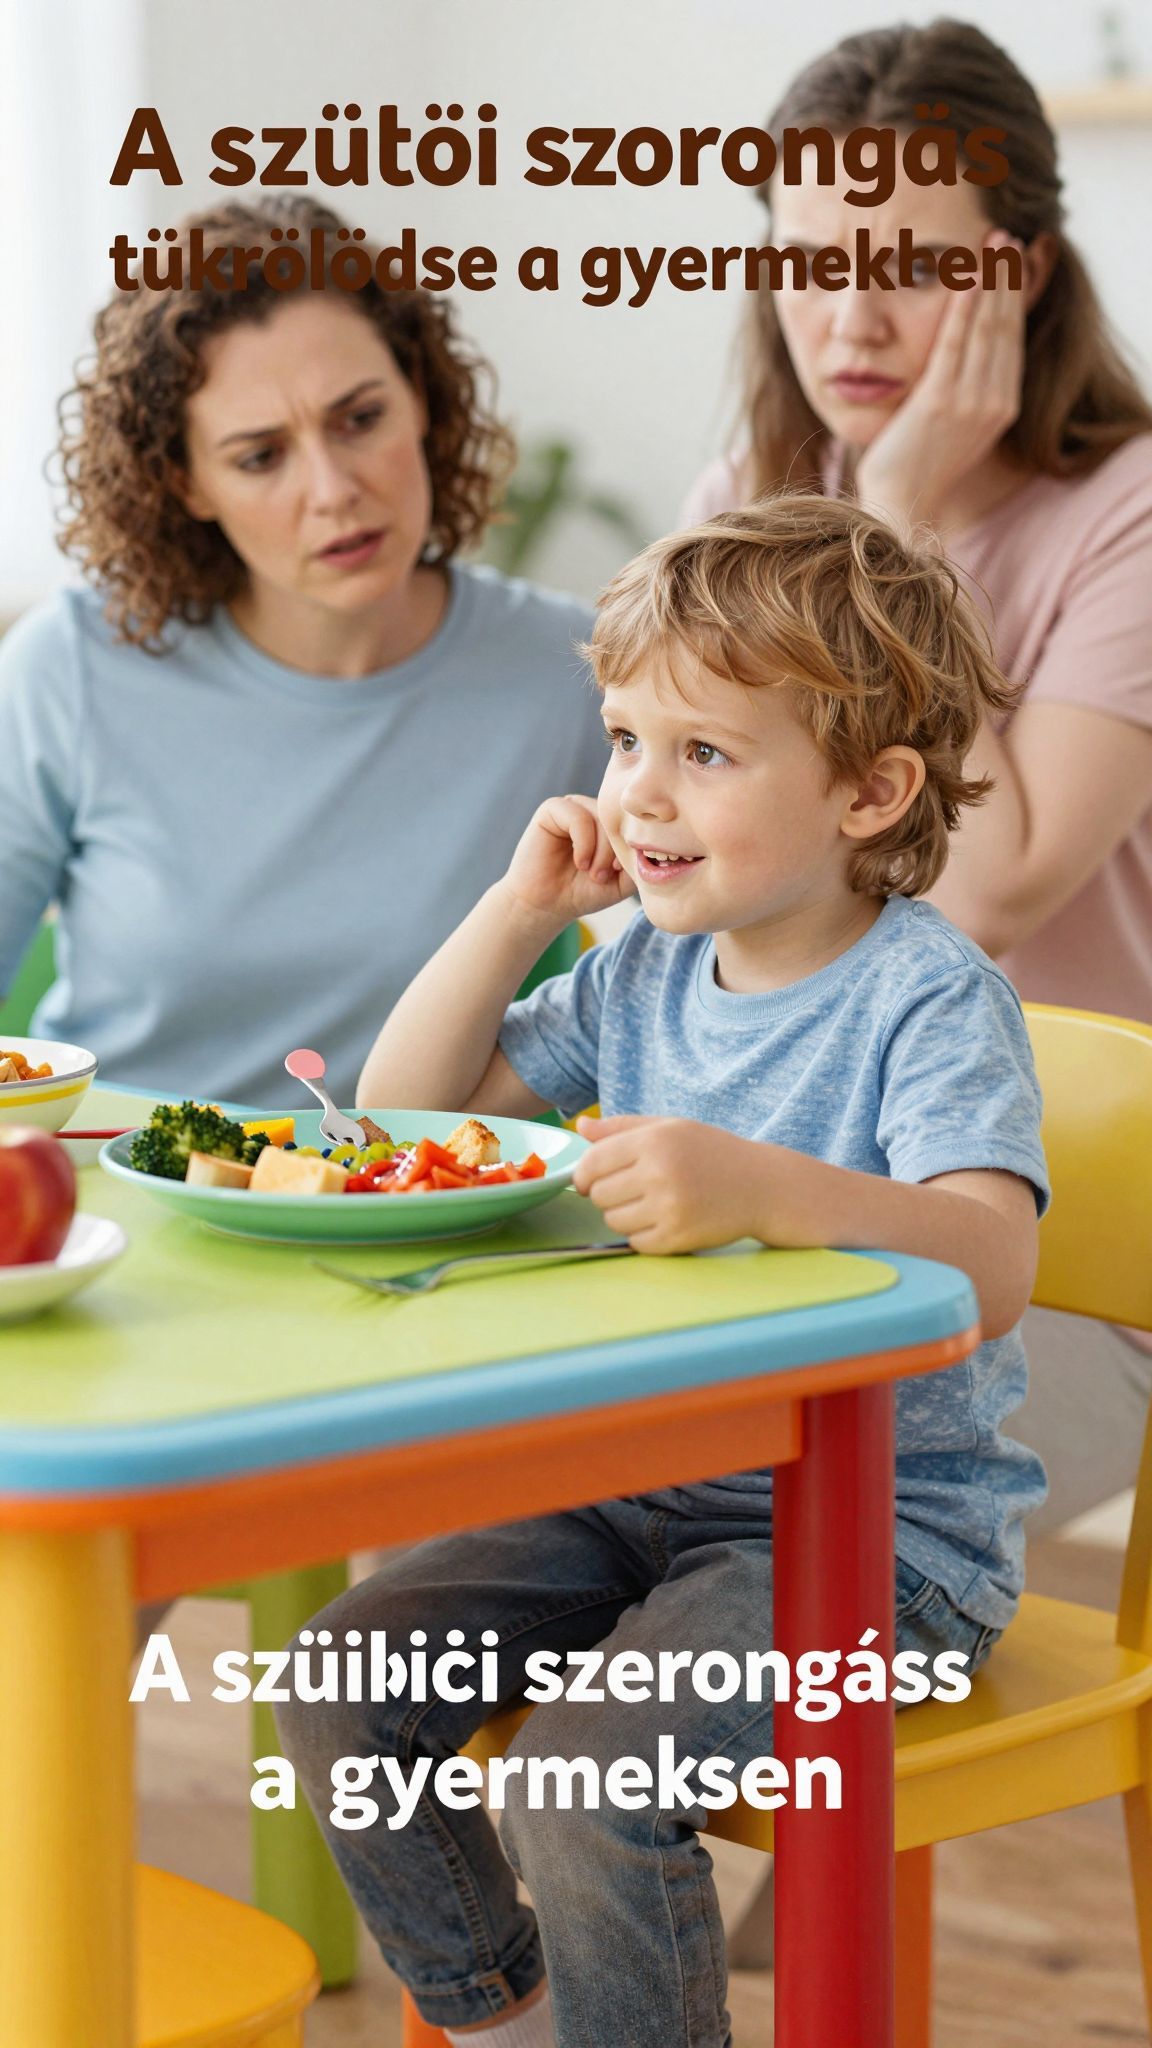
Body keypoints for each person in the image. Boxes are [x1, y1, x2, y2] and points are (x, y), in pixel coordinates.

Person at [276, 496, 1048, 2048]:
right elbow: (402, 1127)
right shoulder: (634, 965)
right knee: (338, 1678)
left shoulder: (927, 1001)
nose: (639, 793)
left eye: (704, 753)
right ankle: (512, 2010)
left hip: (876, 1547)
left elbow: (993, 1258)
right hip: (634, 1498)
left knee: (581, 1777)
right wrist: (514, 916)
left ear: (868, 792)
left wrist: (763, 1187)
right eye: (626, 738)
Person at [683, 20, 1152, 1553]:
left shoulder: (1125, 513)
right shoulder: (753, 498)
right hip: (792, 1196)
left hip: (1079, 1250)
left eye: (910, 264)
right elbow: (675, 859)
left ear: (1014, 274)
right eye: (813, 259)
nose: (852, 315)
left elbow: (998, 884)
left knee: (756, 1516)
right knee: (547, 1488)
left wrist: (901, 522)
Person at [0, 196, 607, 1106]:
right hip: (117, 1208)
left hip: (428, 1216)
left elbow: (726, 974)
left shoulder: (571, 671)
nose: (334, 490)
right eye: (259, 457)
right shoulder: (73, 665)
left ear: (420, 398)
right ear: (185, 483)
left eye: (360, 418)